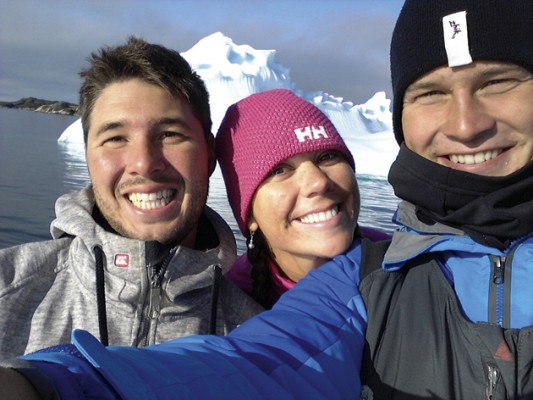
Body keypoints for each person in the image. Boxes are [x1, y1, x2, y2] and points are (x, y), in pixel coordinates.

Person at [3, 0, 533, 398]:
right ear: (246, 212)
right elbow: (258, 362)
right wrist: (47, 382)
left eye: (500, 81)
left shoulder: (374, 274)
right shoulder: (15, 285)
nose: (467, 125)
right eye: (115, 137)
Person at [0, 36, 262, 360]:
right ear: (88, 158)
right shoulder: (8, 288)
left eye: (170, 134)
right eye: (116, 138)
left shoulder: (256, 340)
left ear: (209, 156)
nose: (143, 163)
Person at [217, 89, 389, 308]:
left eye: (327, 157)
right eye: (279, 170)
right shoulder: (222, 307)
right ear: (250, 215)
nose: (318, 182)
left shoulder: (411, 265)